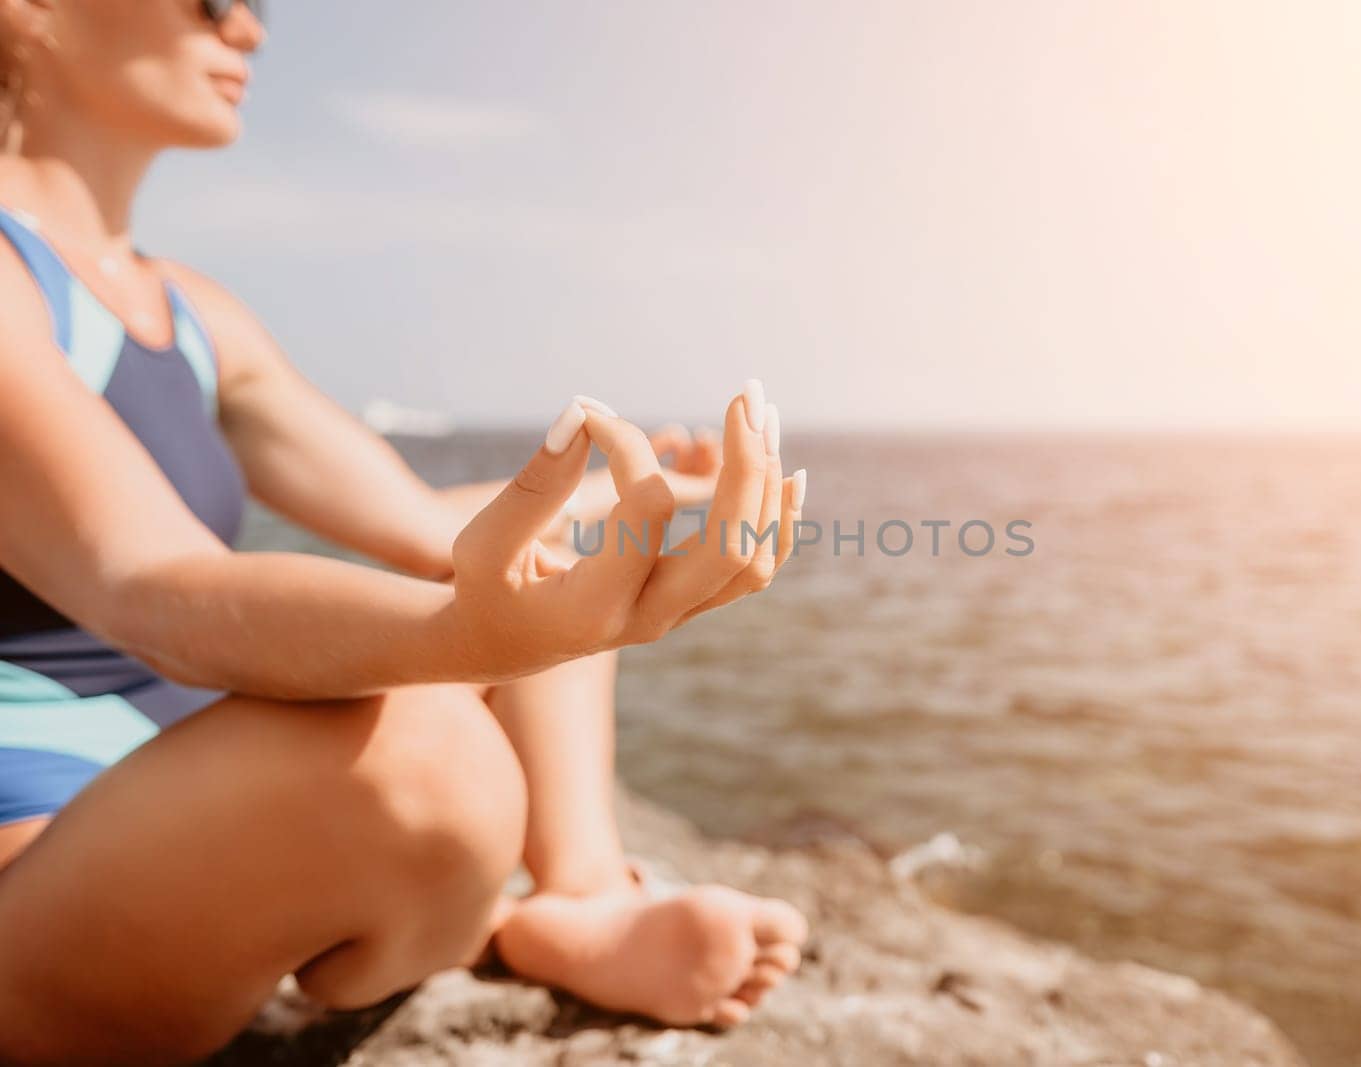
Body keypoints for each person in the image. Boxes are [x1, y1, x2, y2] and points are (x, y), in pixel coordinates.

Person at [0, 2, 811, 1062]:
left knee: (545, 559)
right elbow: (154, 586)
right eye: (208, 0)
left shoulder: (196, 310)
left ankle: (578, 898)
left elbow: (424, 525)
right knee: (426, 756)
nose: (247, 30)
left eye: (256, 6)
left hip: (187, 796)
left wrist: (631, 501)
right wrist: (477, 635)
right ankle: (482, 921)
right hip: (39, 870)